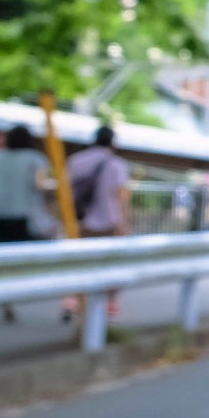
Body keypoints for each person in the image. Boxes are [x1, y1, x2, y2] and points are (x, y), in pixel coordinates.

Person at [0, 125, 50, 322]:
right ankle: (13, 293)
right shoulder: (36, 159)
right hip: (24, 215)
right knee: (21, 257)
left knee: (2, 255)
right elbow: (39, 185)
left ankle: (5, 298)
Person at [65, 125, 132, 319]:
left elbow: (66, 191)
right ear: (113, 142)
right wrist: (124, 223)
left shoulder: (76, 161)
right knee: (113, 264)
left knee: (80, 263)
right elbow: (120, 194)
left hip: (81, 222)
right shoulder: (116, 164)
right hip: (110, 221)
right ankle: (110, 304)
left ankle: (72, 301)